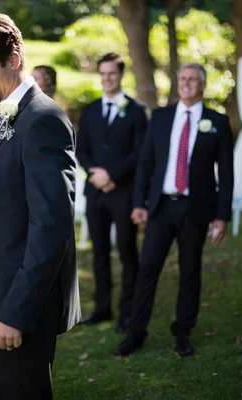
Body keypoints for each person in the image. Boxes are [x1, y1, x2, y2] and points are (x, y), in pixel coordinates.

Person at [0, 13, 80, 399]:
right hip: (1, 295)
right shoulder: (10, 116)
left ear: (13, 59)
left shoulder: (42, 120)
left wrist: (15, 313)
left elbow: (51, 226)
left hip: (21, 307)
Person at [114, 63, 234, 357]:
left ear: (203, 85)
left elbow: (227, 174)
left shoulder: (217, 121)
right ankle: (136, 332)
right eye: (183, 78)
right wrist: (140, 203)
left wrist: (221, 216)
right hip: (161, 207)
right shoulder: (161, 117)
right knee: (148, 269)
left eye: (193, 79)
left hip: (196, 209)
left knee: (190, 270)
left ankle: (183, 332)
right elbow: (145, 162)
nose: (187, 83)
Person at [76, 52, 147, 333]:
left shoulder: (136, 110)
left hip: (123, 192)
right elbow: (81, 149)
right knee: (99, 253)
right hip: (95, 192)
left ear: (121, 75)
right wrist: (95, 173)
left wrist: (112, 176)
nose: (107, 79)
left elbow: (140, 153)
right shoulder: (90, 110)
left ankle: (128, 312)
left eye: (112, 74)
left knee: (128, 252)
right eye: (103, 74)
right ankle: (102, 308)